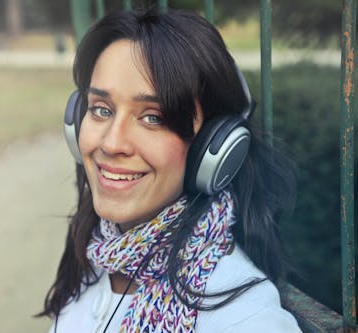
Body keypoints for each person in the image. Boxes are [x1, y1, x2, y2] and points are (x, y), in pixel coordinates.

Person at [39, 7, 302, 333]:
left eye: (153, 117)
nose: (111, 143)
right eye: (101, 109)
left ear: (213, 149)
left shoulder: (244, 317)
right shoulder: (90, 260)